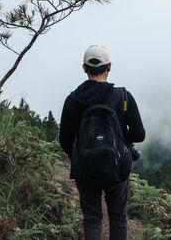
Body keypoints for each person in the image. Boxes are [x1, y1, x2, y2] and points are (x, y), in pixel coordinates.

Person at [59, 45, 145, 240]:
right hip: (118, 168)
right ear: (109, 67)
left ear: (84, 68)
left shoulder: (72, 100)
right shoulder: (123, 96)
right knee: (118, 218)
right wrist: (121, 142)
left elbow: (65, 140)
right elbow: (139, 134)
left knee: (92, 218)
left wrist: (82, 155)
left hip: (85, 169)